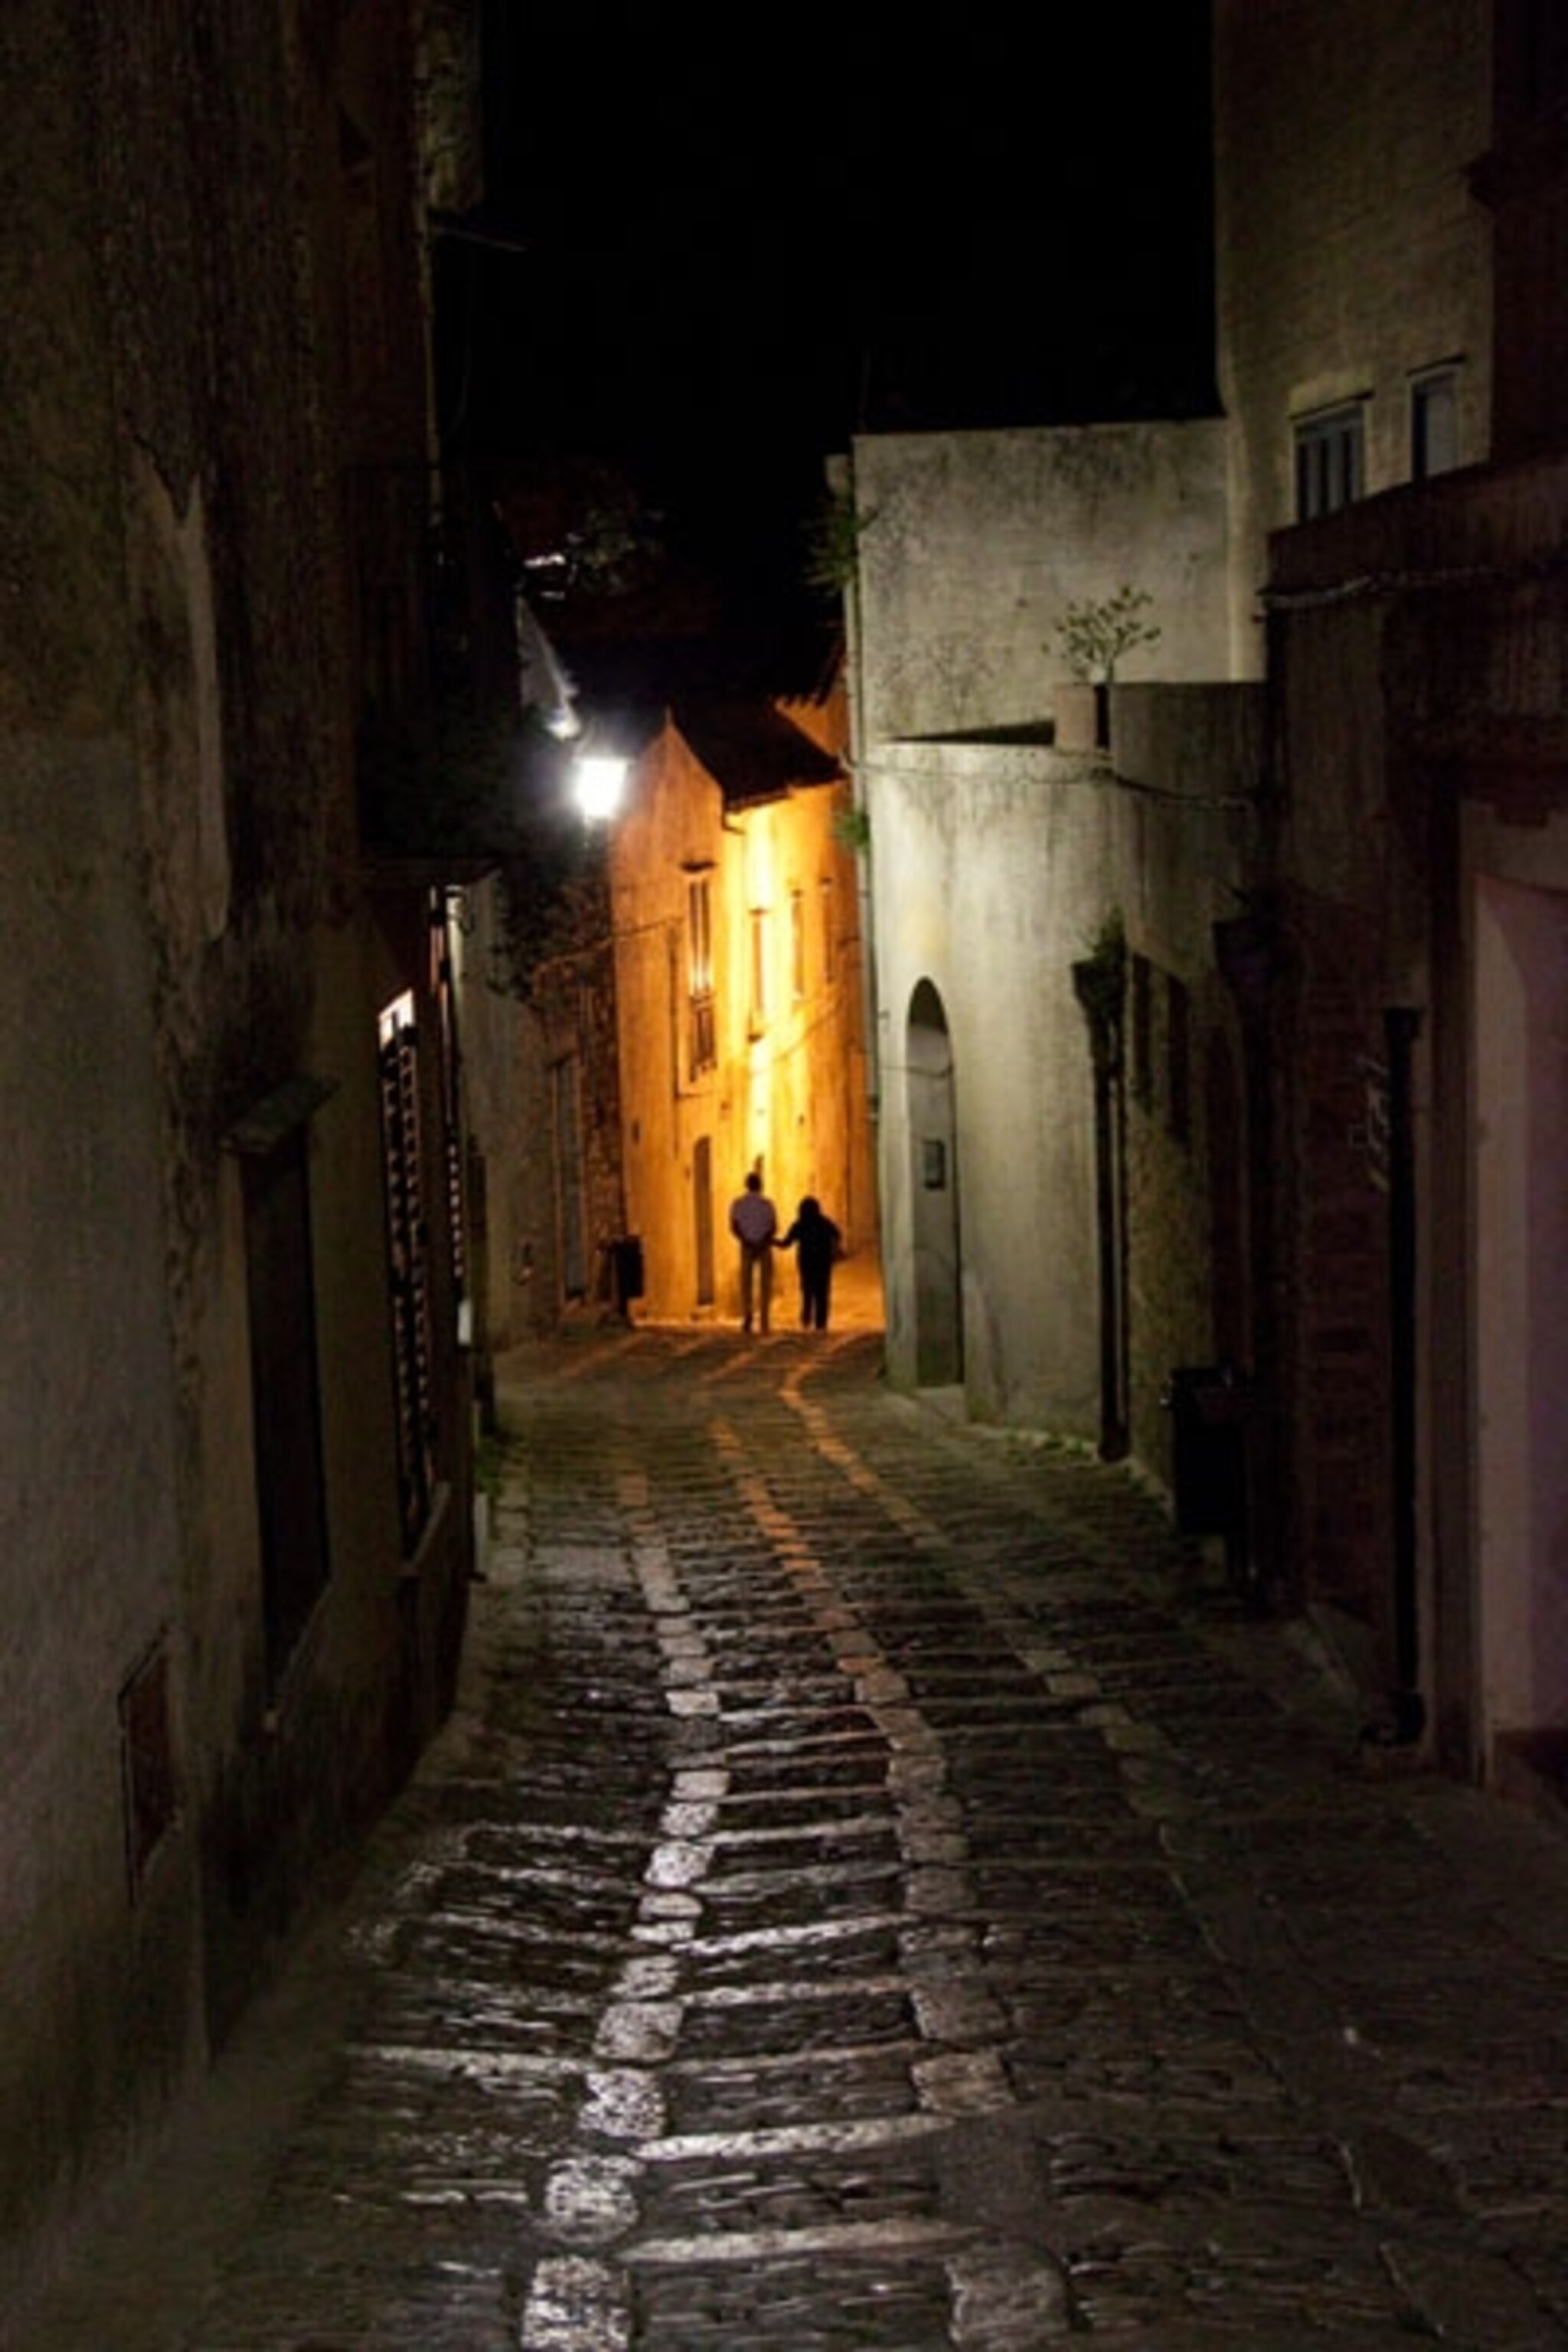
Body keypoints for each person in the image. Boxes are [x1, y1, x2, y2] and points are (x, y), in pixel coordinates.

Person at [777, 1194, 842, 1331]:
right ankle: (821, 1323)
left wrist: (770, 1241)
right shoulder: (824, 1222)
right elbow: (837, 1234)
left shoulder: (800, 1224)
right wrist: (835, 1249)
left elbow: (786, 1243)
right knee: (822, 1292)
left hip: (806, 1263)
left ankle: (806, 1319)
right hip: (823, 1262)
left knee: (807, 1291)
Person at [729, 1168, 778, 1333]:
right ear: (760, 1186)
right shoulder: (767, 1204)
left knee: (746, 1283)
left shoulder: (738, 1204)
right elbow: (773, 1227)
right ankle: (764, 1319)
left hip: (747, 1247)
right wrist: (763, 1242)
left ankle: (747, 1315)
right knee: (765, 1284)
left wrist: (746, 1241)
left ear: (746, 1185)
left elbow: (734, 1227)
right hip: (764, 1247)